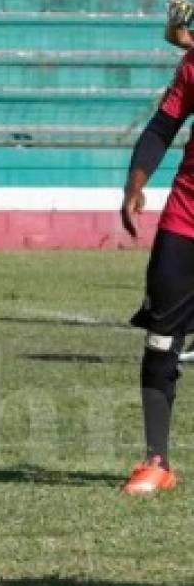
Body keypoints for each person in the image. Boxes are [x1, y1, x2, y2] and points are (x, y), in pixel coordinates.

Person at [119, 33, 194, 493]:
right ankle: (156, 461)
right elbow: (161, 128)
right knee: (161, 341)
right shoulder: (193, 65)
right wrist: (134, 184)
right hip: (185, 223)